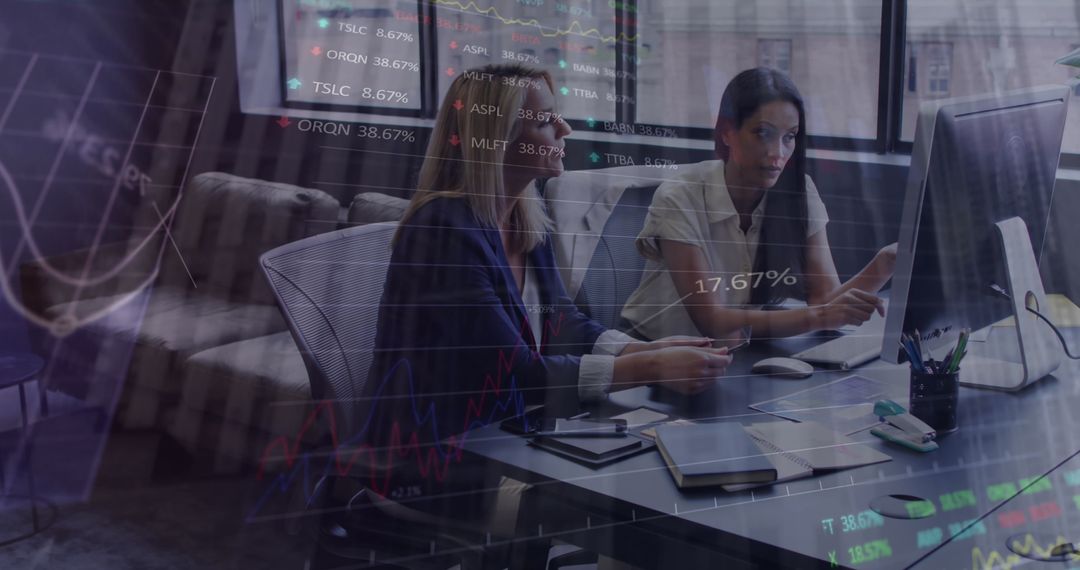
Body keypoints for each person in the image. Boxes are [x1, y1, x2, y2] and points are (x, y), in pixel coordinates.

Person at [363, 64, 731, 527]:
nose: (565, 129)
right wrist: (651, 367)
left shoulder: (520, 215)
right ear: (495, 140)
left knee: (652, 475)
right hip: (435, 461)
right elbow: (514, 373)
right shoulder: (443, 230)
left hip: (506, 434)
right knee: (636, 501)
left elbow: (565, 323)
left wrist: (647, 348)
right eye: (545, 121)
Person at [621, 67, 897, 342]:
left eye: (790, 136)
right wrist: (822, 315)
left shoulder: (799, 191)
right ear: (728, 132)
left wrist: (885, 263)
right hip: (652, 355)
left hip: (732, 355)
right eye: (763, 133)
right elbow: (712, 320)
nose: (778, 153)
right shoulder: (679, 196)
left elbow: (825, 303)